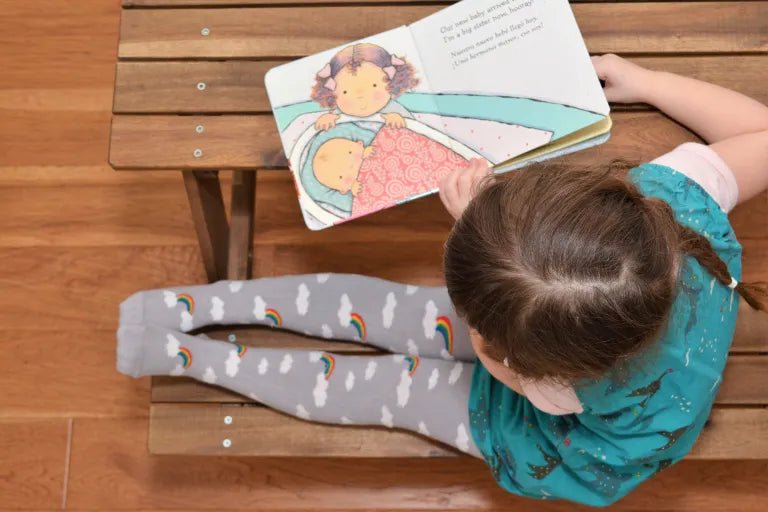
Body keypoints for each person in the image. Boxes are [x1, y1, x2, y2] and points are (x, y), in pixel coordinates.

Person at [116, 54, 767, 506]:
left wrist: (477, 255)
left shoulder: (554, 389)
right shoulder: (677, 198)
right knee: (385, 316)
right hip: (590, 356)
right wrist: (648, 82)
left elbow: (499, 361)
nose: (468, 325)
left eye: (480, 326)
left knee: (380, 388)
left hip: (568, 433)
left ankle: (183, 351)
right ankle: (187, 319)